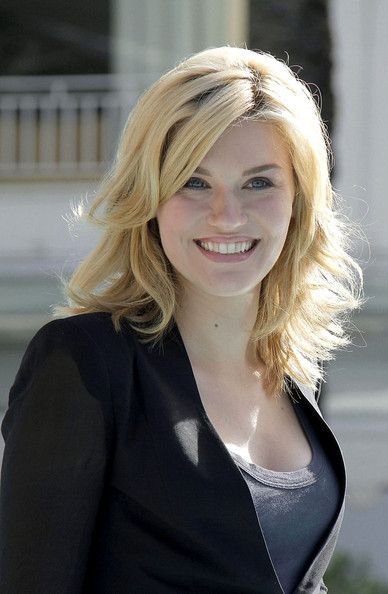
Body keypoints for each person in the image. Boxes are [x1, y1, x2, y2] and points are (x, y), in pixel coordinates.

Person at [0, 46, 363, 594]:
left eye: (259, 183)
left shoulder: (292, 372)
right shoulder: (85, 364)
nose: (228, 215)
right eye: (195, 182)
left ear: (299, 202)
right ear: (150, 196)